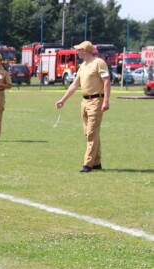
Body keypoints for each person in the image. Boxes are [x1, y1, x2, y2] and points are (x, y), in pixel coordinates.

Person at [55, 41, 111, 173]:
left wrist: (106, 101)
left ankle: (88, 164)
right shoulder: (82, 66)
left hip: (96, 101)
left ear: (85, 51)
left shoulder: (99, 63)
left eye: (78, 49)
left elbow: (107, 81)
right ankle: (96, 162)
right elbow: (74, 85)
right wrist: (63, 100)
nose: (77, 51)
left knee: (91, 133)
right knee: (89, 133)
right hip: (84, 102)